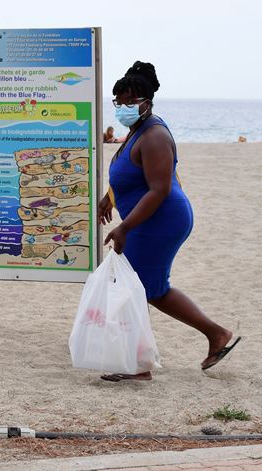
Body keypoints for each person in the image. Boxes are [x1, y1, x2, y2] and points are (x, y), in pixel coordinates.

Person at [98, 61, 240, 382]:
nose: (122, 107)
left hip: (159, 220)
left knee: (135, 288)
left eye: (129, 102)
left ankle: (139, 366)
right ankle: (215, 335)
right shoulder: (137, 130)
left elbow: (159, 189)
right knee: (151, 289)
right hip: (149, 220)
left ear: (147, 102)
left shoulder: (155, 136)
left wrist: (125, 226)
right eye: (118, 101)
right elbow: (131, 175)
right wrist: (110, 197)